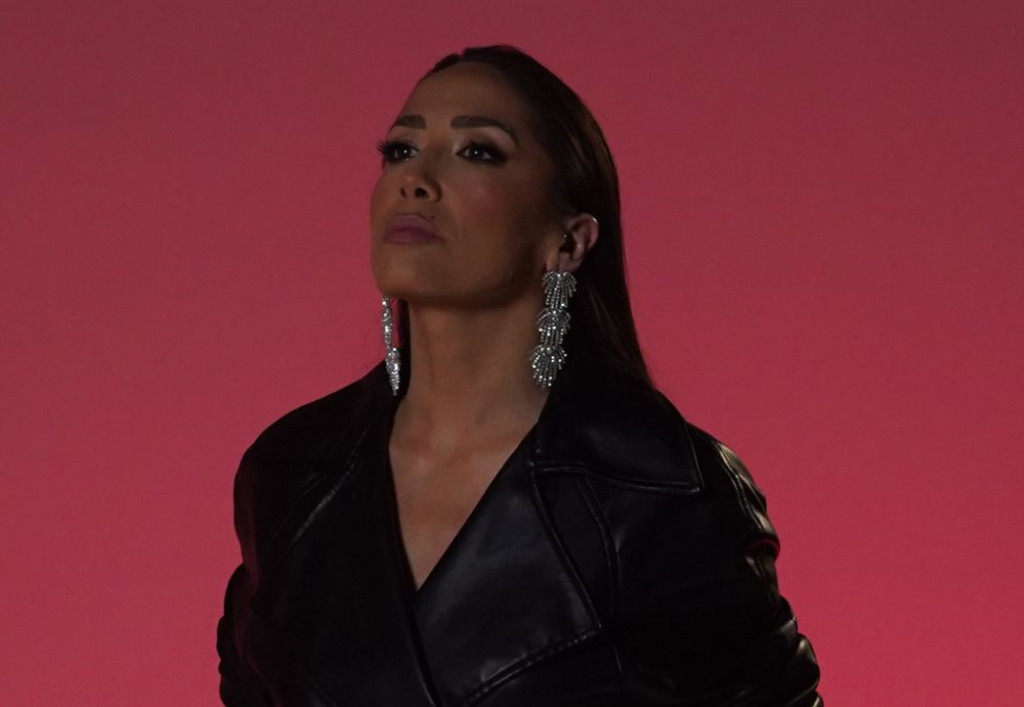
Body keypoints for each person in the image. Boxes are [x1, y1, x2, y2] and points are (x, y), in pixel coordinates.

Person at [216, 44, 823, 706]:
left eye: (478, 151)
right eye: (400, 150)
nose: (415, 179)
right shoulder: (291, 473)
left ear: (569, 239)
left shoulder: (662, 487)